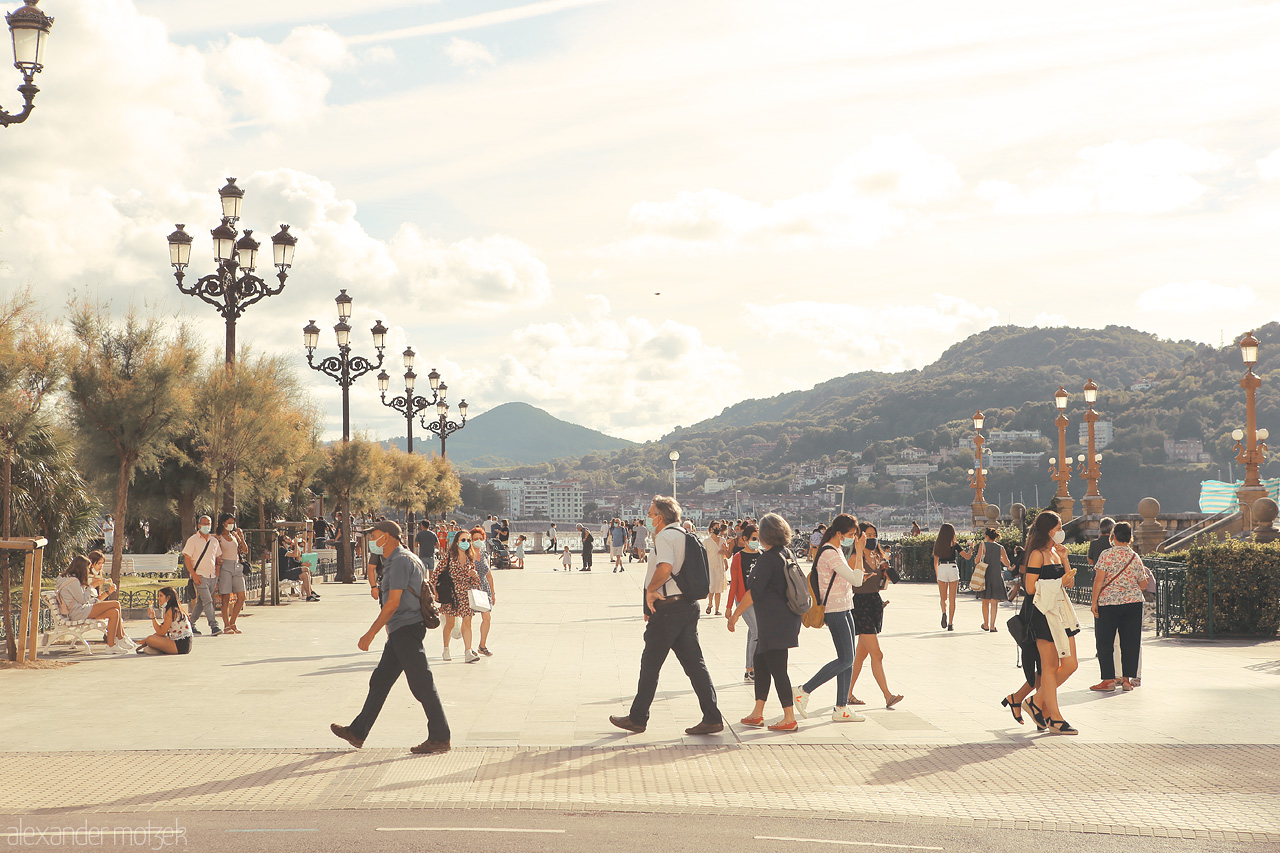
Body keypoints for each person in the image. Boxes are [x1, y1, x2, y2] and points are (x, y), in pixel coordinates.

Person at [331, 520, 451, 755]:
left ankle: (440, 736)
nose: (372, 540)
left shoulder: (399, 562)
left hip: (406, 628)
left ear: (388, 536)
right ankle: (357, 732)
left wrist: (370, 633)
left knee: (422, 683)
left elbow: (393, 603)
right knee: (380, 681)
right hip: (401, 629)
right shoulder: (403, 559)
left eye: (374, 535)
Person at [611, 495, 723, 736]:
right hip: (687, 606)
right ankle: (712, 717)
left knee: (650, 663)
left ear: (660, 518)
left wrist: (650, 592)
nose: (648, 519)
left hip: (669, 609)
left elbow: (665, 568)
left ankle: (638, 718)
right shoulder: (685, 534)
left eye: (650, 515)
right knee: (695, 665)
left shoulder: (664, 537)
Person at [728, 513, 801, 732]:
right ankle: (757, 712)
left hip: (773, 622)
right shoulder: (787, 553)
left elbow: (752, 593)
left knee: (778, 669)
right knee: (760, 664)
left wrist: (735, 615)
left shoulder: (768, 559)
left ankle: (789, 717)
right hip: (784, 619)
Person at [794, 514, 869, 723]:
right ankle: (803, 690)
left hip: (845, 606)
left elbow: (852, 580)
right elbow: (857, 580)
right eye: (851, 535)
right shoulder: (829, 552)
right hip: (835, 609)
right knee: (846, 658)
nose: (853, 538)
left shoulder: (836, 549)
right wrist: (860, 550)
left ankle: (841, 707)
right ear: (839, 533)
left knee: (848, 659)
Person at [1023, 510, 1081, 735]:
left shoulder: (1056, 553)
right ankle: (1055, 718)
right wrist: (1058, 581)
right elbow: (1030, 588)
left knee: (1070, 664)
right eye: (1058, 528)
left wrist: (1065, 559)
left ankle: (1035, 702)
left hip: (1061, 611)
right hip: (1043, 613)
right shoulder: (1037, 554)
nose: (1061, 532)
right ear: (1048, 530)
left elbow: (1070, 583)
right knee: (1048, 666)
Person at [847, 522, 904, 710]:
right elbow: (846, 582)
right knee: (877, 654)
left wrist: (886, 570)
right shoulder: (855, 557)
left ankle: (847, 693)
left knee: (861, 655)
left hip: (874, 603)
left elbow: (892, 579)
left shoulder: (879, 556)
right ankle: (888, 696)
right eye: (867, 535)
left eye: (873, 535)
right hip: (860, 604)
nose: (871, 538)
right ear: (859, 537)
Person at [1089, 522, 1149, 692]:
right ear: (1130, 538)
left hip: (1109, 603)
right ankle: (1127, 681)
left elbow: (1098, 580)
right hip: (1133, 603)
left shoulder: (1106, 555)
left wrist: (1094, 602)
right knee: (1130, 641)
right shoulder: (1135, 557)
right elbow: (1143, 584)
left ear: (1112, 536)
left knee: (1105, 641)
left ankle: (1108, 680)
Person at [55, 555, 134, 653]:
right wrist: (92, 586)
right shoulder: (73, 581)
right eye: (88, 568)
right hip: (78, 612)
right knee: (116, 604)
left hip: (80, 610)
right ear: (82, 568)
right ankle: (120, 638)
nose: (88, 571)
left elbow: (83, 600)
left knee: (114, 612)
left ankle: (111, 646)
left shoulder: (72, 580)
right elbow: (83, 600)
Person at [431, 528, 483, 663]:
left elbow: (475, 581)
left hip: (466, 594)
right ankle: (446, 649)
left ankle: (468, 652)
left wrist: (475, 575)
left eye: (468, 540)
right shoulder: (448, 557)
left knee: (467, 623)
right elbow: (435, 575)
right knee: (450, 624)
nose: (466, 542)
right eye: (463, 540)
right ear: (457, 542)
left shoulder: (470, 557)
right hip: (451, 594)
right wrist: (435, 591)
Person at [725, 523, 761, 682]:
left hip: (759, 600)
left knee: (753, 632)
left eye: (759, 539)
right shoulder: (738, 557)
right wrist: (728, 607)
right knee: (757, 631)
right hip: (743, 600)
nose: (757, 542)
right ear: (745, 539)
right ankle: (751, 668)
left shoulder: (762, 555)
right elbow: (734, 584)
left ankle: (749, 668)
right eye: (754, 539)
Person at [183, 515, 223, 636]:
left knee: (201, 602)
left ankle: (190, 624)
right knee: (208, 601)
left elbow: (218, 558)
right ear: (199, 525)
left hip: (211, 576)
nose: (206, 526)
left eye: (209, 524)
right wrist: (194, 575)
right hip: (200, 576)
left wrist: (217, 574)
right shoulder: (193, 540)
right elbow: (187, 558)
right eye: (204, 524)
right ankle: (214, 626)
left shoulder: (214, 541)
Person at [932, 523, 972, 632]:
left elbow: (935, 562)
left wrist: (937, 575)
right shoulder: (954, 544)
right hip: (952, 568)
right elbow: (967, 557)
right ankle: (950, 623)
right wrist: (971, 548)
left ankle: (943, 612)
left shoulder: (938, 545)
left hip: (942, 569)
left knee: (943, 598)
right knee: (952, 599)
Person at [215, 513, 249, 634]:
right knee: (226, 597)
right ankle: (226, 625)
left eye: (232, 522)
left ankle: (233, 622)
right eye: (229, 522)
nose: (231, 525)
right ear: (223, 523)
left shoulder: (234, 535)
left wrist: (241, 536)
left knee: (242, 596)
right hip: (225, 566)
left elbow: (245, 550)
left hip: (236, 565)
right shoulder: (218, 537)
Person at [136, 587, 193, 655]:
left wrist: (153, 617)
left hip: (180, 645)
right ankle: (158, 648)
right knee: (153, 637)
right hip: (184, 644)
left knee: (150, 639)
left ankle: (158, 650)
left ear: (168, 598)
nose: (158, 598)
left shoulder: (171, 611)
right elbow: (162, 629)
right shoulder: (176, 608)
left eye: (161, 596)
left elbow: (161, 632)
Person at [976, 528, 1011, 632]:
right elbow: (1007, 563)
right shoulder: (1001, 548)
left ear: (987, 536)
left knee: (985, 601)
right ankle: (992, 625)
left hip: (985, 576)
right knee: (994, 602)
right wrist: (999, 559)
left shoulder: (983, 545)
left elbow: (977, 560)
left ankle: (985, 624)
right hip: (996, 576)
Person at [470, 525, 497, 657]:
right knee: (467, 618)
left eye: (480, 538)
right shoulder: (467, 554)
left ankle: (482, 645)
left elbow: (489, 574)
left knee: (487, 617)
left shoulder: (484, 553)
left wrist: (493, 592)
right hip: (470, 588)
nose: (478, 540)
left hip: (484, 588)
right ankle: (468, 648)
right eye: (475, 538)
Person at [278, 532, 317, 601]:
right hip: (284, 574)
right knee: (306, 569)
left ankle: (309, 595)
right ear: (283, 542)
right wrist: (295, 543)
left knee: (305, 574)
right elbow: (295, 554)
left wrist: (297, 544)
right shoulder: (282, 550)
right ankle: (310, 592)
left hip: (288, 573)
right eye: (287, 538)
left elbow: (298, 554)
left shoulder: (287, 550)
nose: (289, 539)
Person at [704, 522, 728, 616]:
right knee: (712, 588)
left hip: (720, 566)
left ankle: (717, 609)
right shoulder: (706, 542)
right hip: (711, 567)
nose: (718, 529)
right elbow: (704, 555)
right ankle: (710, 604)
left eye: (719, 527)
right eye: (716, 527)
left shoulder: (722, 540)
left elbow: (726, 554)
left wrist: (724, 551)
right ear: (711, 529)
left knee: (719, 589)